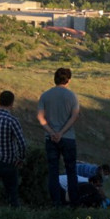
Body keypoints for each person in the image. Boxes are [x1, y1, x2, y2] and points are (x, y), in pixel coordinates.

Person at [37, 67, 81, 207]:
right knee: (71, 170)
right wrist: (61, 133)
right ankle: (74, 202)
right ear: (68, 80)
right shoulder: (71, 96)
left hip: (50, 138)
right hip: (67, 137)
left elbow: (40, 117)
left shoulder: (45, 95)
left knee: (53, 171)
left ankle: (56, 202)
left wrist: (51, 132)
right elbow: (74, 116)